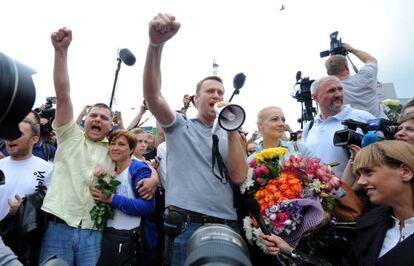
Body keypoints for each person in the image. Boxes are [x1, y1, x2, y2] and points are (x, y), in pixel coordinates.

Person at [39, 27, 158, 266]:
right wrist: (60, 52)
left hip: (94, 232)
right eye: (93, 115)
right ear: (86, 119)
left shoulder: (115, 149)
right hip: (58, 228)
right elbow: (63, 95)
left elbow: (142, 164)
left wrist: (154, 176)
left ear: (111, 124)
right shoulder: (70, 136)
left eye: (104, 118)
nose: (97, 120)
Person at [143, 13, 247, 266]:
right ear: (196, 98)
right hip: (185, 226)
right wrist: (156, 45)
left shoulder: (232, 134)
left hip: (226, 226)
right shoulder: (180, 127)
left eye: (220, 92)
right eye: (210, 91)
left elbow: (238, 176)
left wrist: (232, 129)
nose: (216, 95)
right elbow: (153, 95)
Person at [343, 140, 414, 265]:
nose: (360, 182)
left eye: (368, 172)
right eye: (359, 175)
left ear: (405, 172)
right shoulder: (368, 223)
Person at [90, 130, 155, 266]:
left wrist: (111, 199)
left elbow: (147, 207)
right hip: (110, 237)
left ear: (131, 149)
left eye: (121, 144)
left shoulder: (138, 169)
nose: (115, 148)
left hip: (132, 241)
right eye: (113, 143)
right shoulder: (110, 170)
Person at [302, 75, 376, 178]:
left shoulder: (363, 117)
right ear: (315, 97)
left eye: (340, 89)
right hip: (321, 192)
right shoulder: (308, 127)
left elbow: (380, 157)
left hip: (358, 191)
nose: (338, 94)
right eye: (331, 91)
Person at [0, 119, 53, 221]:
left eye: (18, 134)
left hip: (27, 235)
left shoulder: (48, 170)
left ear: (34, 139)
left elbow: (52, 209)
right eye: (9, 134)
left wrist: (26, 210)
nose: (11, 138)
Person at [325, 43, 386, 118]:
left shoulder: (331, 91)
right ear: (346, 67)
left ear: (328, 73)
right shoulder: (366, 76)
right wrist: (352, 49)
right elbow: (371, 60)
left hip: (354, 128)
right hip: (380, 125)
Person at [248, 106, 316, 162]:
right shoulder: (252, 161)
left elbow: (322, 173)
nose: (281, 124)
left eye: (283, 120)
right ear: (260, 125)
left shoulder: (300, 148)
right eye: (274, 119)